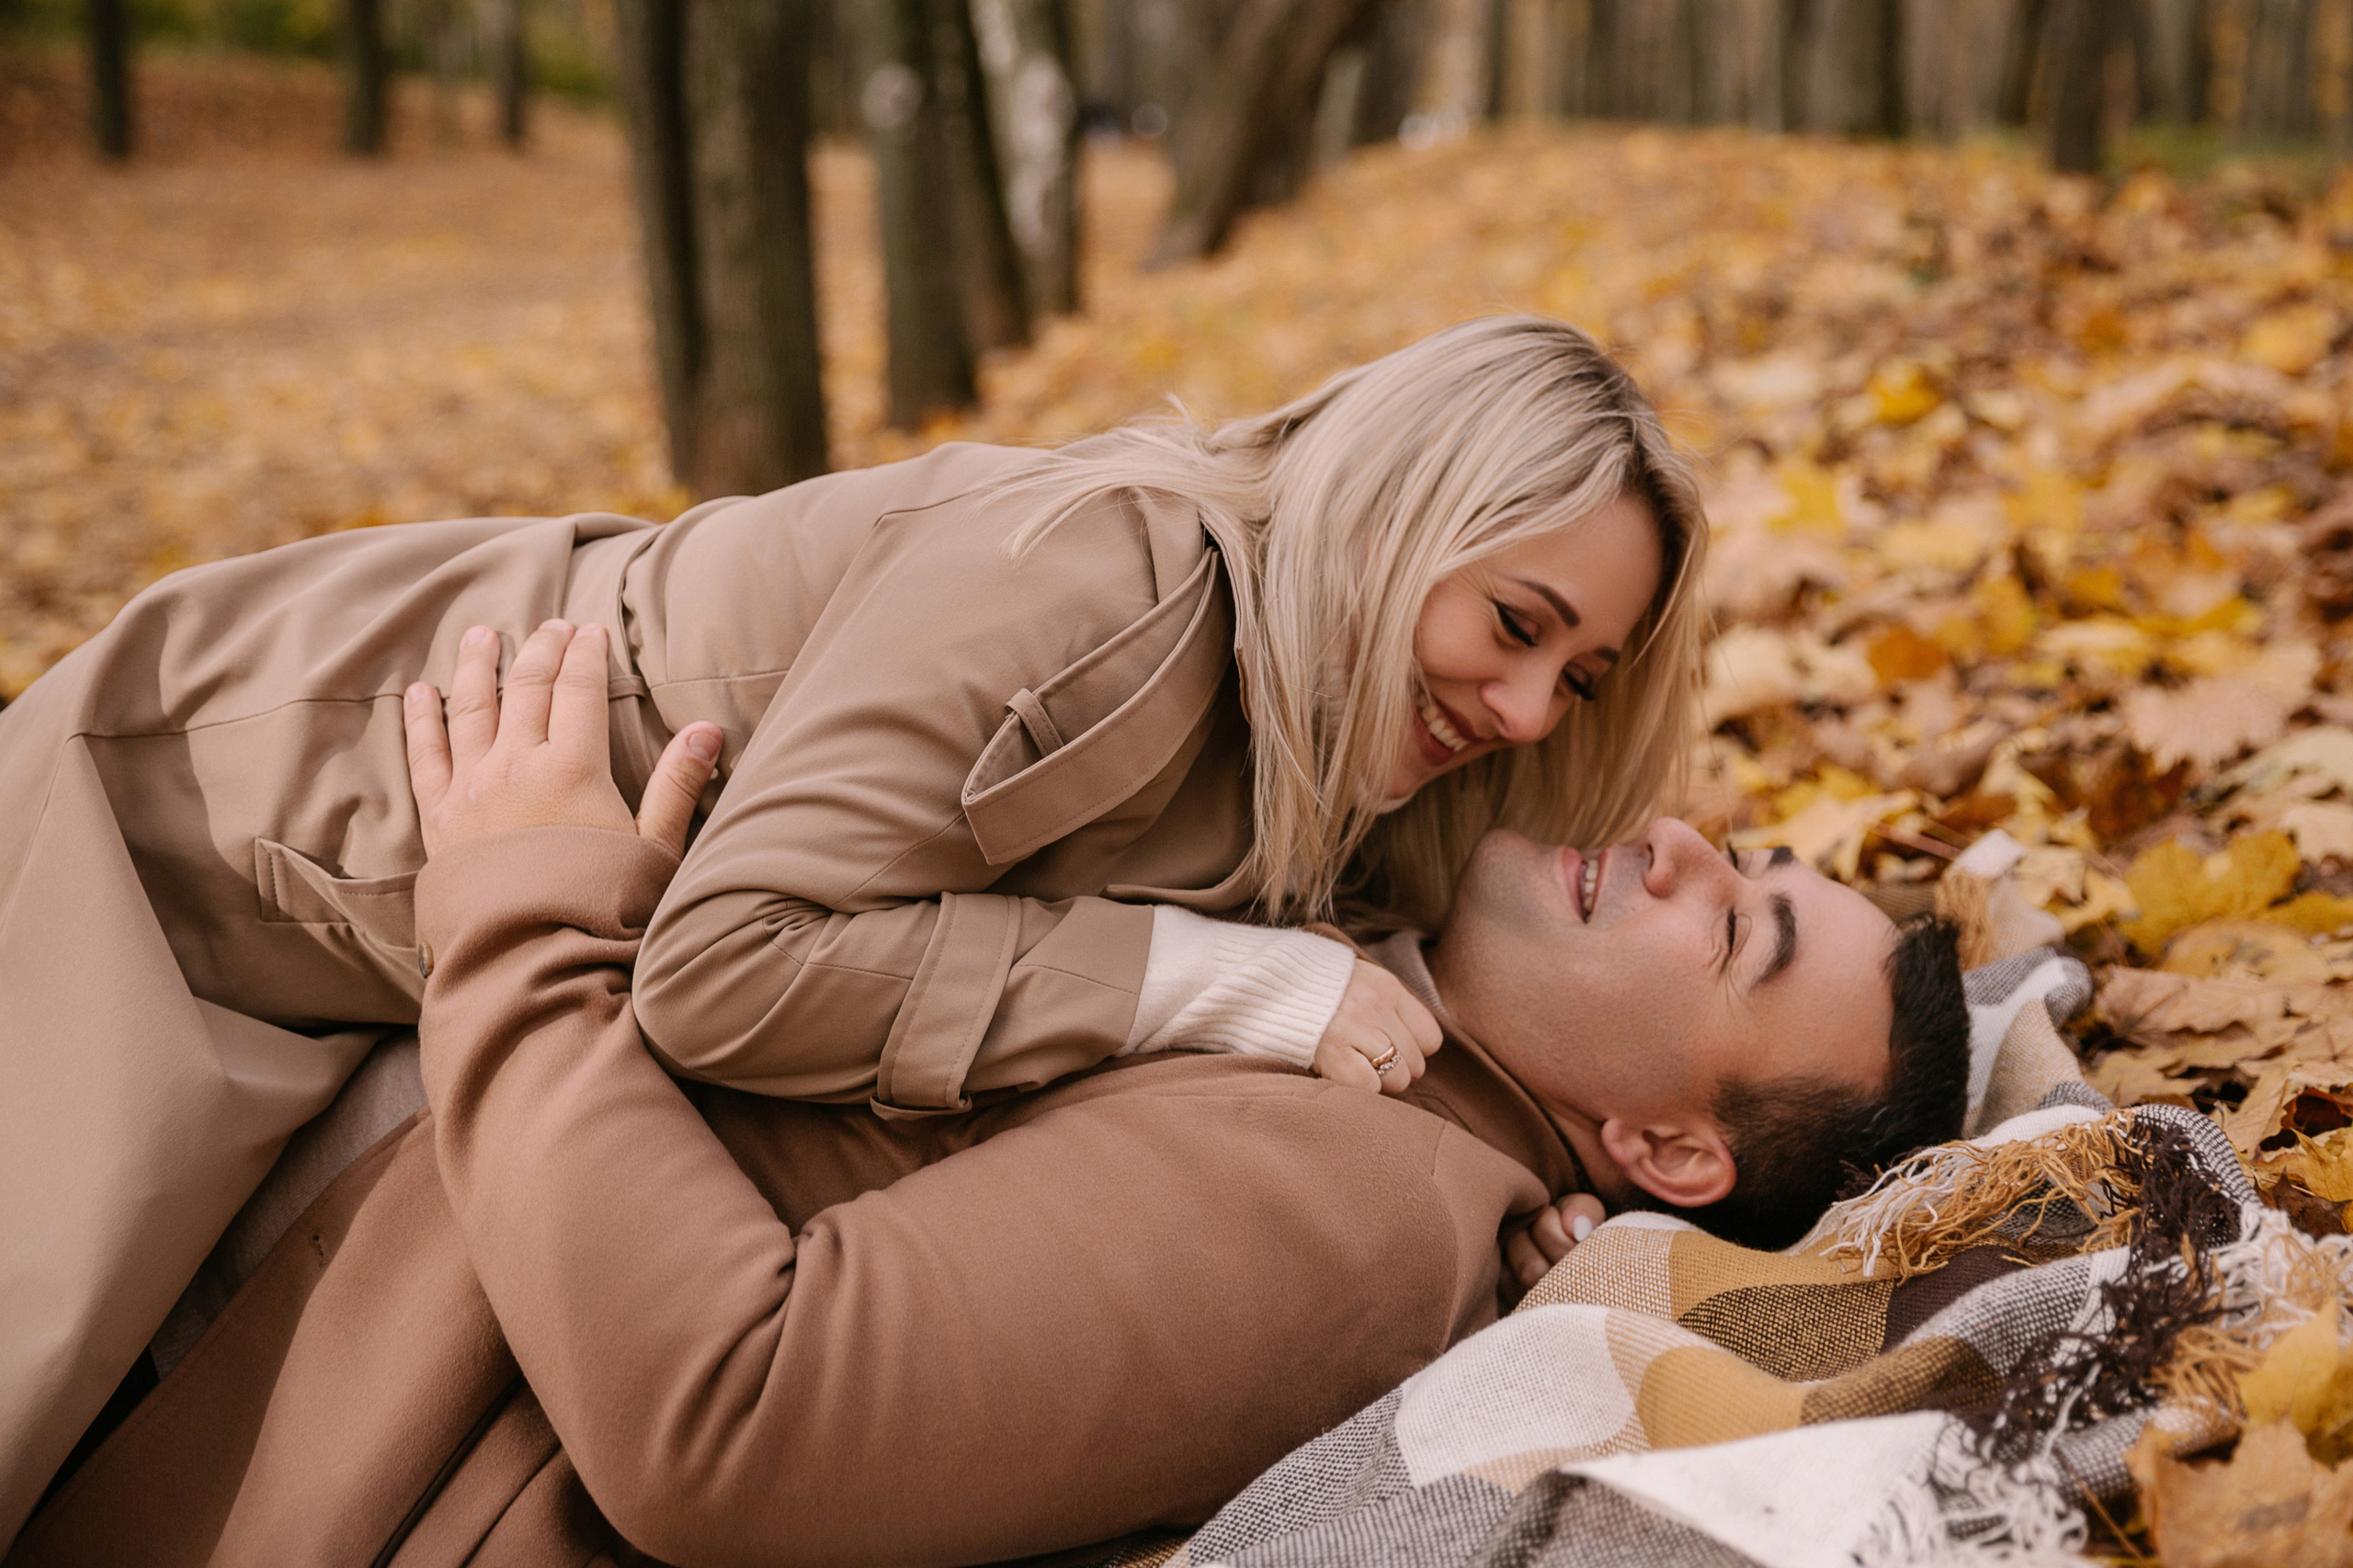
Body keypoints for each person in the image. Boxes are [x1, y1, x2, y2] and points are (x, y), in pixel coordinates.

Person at [0, 314, 1711, 1539]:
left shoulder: (1333, 746)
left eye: (1582, 674)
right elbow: (723, 972)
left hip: (394, 901)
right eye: (1515, 621)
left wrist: (1545, 1213)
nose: (1533, 710)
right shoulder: (1126, 593)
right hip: (211, 830)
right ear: (1402, 514)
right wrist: (1218, 980)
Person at [10, 622, 1969, 1567]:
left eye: (1741, 938)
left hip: (296, 1411)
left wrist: (522, 903)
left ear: (1665, 1150)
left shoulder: (1365, 1209)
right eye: (1752, 855)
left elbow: (731, 1421)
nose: (1696, 849)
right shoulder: (1356, 1033)